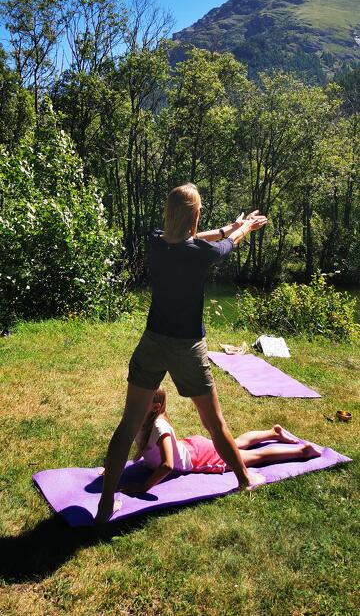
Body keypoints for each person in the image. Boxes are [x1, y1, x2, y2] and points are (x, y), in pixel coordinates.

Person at [95, 183, 268, 522]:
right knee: (213, 422)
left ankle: (104, 505)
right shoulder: (200, 254)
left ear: (168, 212)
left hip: (152, 342)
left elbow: (193, 238)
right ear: (195, 214)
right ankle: (245, 480)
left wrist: (229, 227)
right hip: (187, 347)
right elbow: (227, 244)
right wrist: (245, 227)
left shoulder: (156, 241)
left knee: (129, 423)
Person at [105, 388, 321, 495]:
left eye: (141, 400)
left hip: (200, 457)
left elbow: (168, 465)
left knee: (252, 456)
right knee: (234, 443)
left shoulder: (160, 428)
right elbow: (136, 446)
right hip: (193, 447)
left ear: (155, 407)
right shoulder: (140, 420)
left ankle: (303, 451)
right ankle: (273, 433)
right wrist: (116, 468)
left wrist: (144, 487)